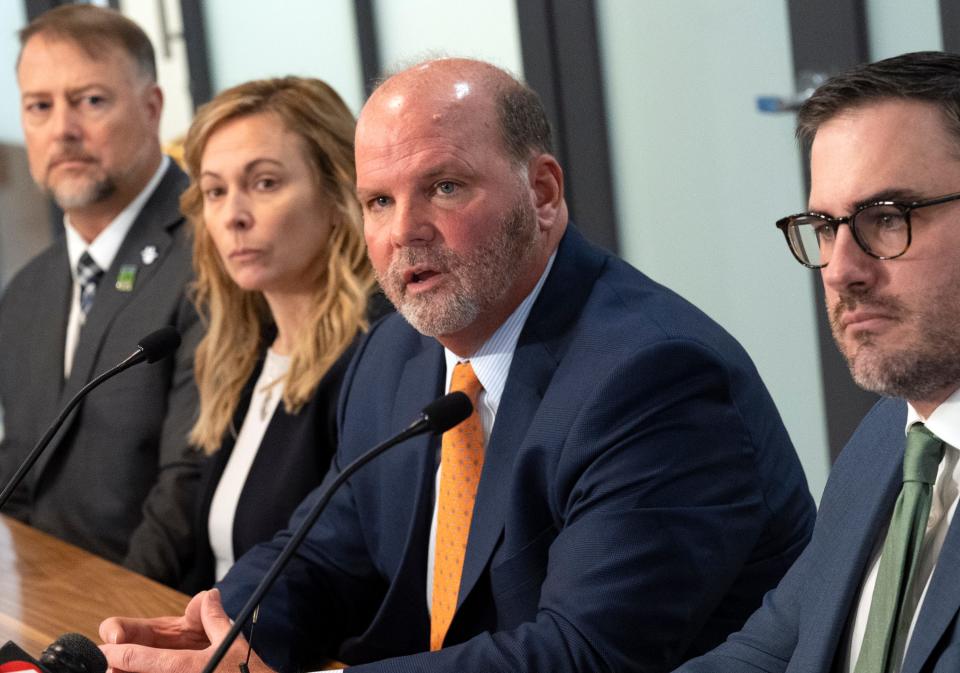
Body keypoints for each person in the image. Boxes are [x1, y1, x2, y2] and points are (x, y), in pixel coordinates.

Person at [100, 57, 815, 673]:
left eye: (443, 187)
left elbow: (584, 654)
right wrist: (230, 627)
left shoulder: (654, 377)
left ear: (542, 191)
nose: (403, 231)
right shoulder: (394, 351)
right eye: (378, 200)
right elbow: (328, 550)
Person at [672, 51, 960, 672]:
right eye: (825, 228)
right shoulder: (890, 438)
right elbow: (767, 652)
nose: (840, 271)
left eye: (886, 219)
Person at [0, 4, 201, 584]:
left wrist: (105, 635)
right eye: (40, 106)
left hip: (148, 620)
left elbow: (185, 493)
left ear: (151, 107)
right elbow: (18, 480)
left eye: (90, 101)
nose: (62, 129)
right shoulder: (25, 291)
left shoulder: (216, 253)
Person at [167, 76, 379, 591]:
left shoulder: (377, 355)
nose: (234, 216)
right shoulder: (242, 356)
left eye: (264, 183)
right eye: (215, 191)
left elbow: (353, 577)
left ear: (337, 193)